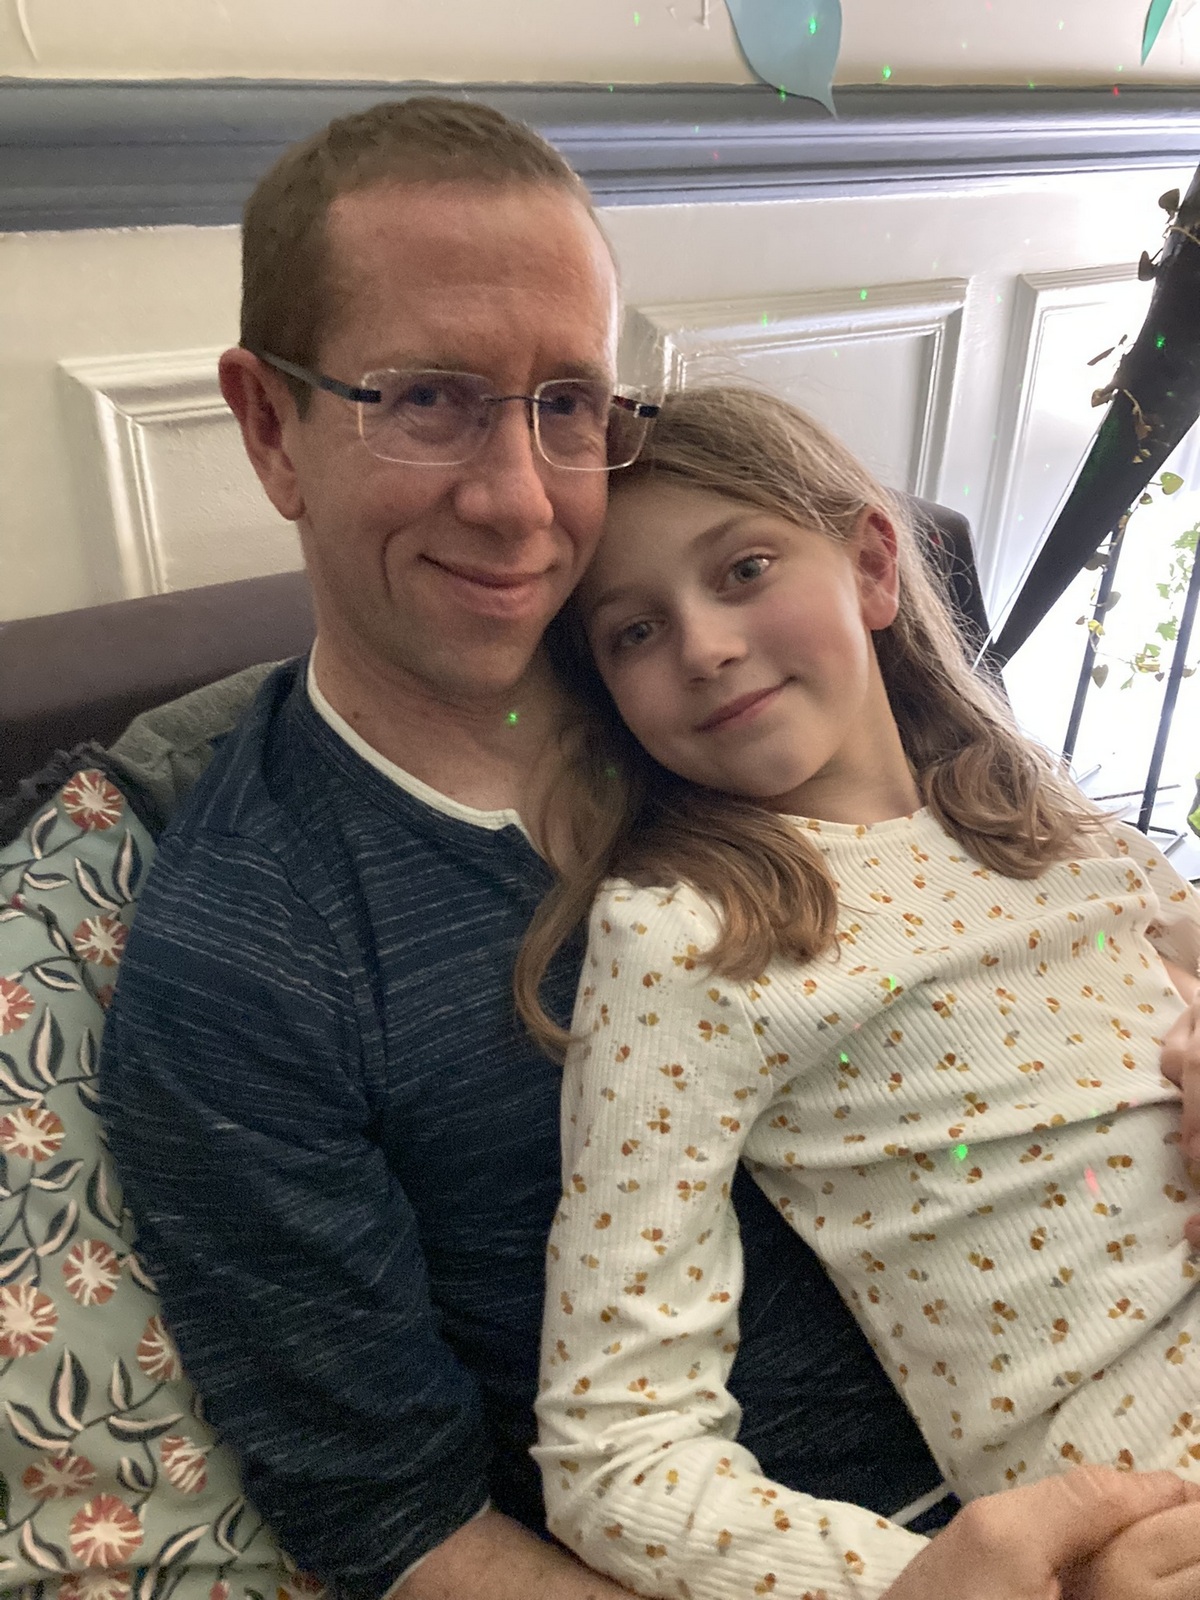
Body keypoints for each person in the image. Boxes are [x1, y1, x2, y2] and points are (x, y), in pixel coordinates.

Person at [95, 95, 1200, 1600]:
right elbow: (404, 1534)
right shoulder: (248, 965)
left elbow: (1083, 946)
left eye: (564, 401)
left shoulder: (805, 726)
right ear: (267, 425)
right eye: (426, 399)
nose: (518, 497)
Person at [527, 385, 1200, 1600]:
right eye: (632, 632)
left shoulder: (1045, 823)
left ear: (874, 565)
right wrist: (934, 1583)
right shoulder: (687, 933)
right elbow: (613, 1456)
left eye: (743, 569)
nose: (704, 646)